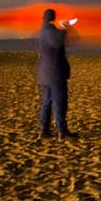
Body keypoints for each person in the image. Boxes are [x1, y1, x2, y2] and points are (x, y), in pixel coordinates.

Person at [37, 8, 77, 139]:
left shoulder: (41, 33)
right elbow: (73, 41)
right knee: (59, 102)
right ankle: (62, 131)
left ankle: (44, 130)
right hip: (56, 73)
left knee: (46, 101)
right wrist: (66, 28)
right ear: (53, 18)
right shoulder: (54, 33)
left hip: (44, 73)